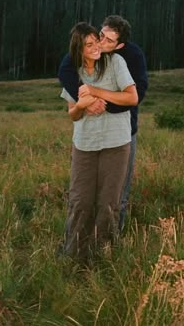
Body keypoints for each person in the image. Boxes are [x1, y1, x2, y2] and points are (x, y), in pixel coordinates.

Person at [58, 15, 148, 232]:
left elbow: (135, 96)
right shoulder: (81, 56)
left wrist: (99, 99)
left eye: (109, 41)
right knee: (82, 197)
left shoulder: (129, 57)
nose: (101, 42)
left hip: (123, 130)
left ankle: (110, 243)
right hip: (88, 137)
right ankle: (79, 246)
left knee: (116, 195)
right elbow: (65, 72)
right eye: (101, 36)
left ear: (120, 45)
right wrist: (85, 104)